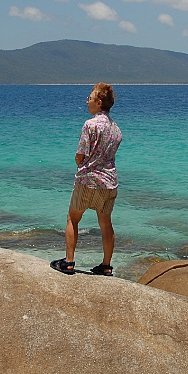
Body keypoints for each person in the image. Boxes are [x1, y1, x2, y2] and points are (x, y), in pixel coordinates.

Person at [51, 83, 122, 276]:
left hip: (88, 180)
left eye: (89, 98)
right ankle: (106, 266)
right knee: (106, 223)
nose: (87, 101)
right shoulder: (116, 129)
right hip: (109, 182)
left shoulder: (89, 125)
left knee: (73, 219)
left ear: (99, 102)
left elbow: (80, 155)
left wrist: (78, 161)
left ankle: (69, 262)